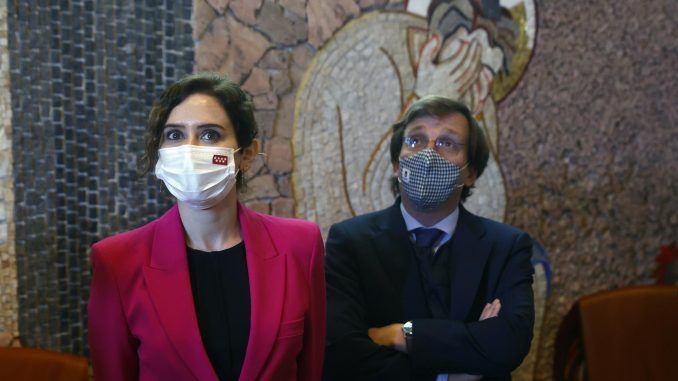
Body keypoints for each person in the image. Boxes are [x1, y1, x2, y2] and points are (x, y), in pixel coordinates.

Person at [88, 73, 326, 381]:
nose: (189, 150)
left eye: (210, 135)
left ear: (247, 155)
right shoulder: (116, 262)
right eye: (174, 135)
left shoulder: (300, 246)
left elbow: (313, 368)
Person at [323, 96, 534, 381]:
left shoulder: (506, 246)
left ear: (470, 172)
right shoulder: (349, 241)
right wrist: (455, 373)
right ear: (397, 165)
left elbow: (508, 343)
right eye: (416, 141)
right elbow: (345, 354)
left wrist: (403, 334)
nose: (429, 153)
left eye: (447, 143)